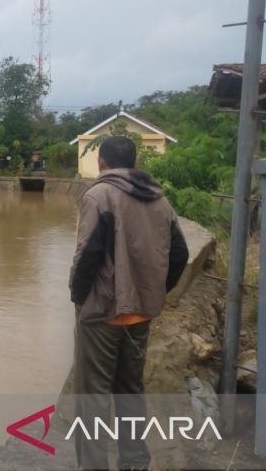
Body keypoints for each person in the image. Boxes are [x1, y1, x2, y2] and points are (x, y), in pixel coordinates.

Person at [69, 136, 188, 470]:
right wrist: (154, 293)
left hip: (104, 315)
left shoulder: (98, 195)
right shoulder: (159, 199)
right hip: (140, 317)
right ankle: (135, 462)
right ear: (135, 164)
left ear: (102, 163)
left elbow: (87, 255)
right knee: (130, 393)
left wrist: (79, 300)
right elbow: (179, 253)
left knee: (92, 400)